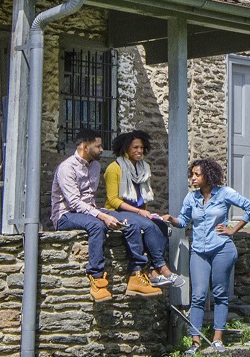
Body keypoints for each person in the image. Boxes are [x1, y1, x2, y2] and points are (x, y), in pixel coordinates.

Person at [50, 128, 164, 302]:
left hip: (90, 210)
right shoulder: (67, 168)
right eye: (98, 146)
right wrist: (102, 216)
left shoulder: (95, 166)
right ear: (85, 147)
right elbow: (74, 203)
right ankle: (96, 278)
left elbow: (89, 203)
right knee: (96, 225)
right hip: (66, 215)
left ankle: (136, 275)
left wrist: (103, 214)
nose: (102, 150)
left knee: (130, 222)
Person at [167, 157, 250, 353]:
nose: (193, 178)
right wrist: (170, 219)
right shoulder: (191, 198)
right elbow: (183, 221)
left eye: (197, 175)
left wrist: (233, 230)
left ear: (208, 176)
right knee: (198, 295)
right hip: (199, 250)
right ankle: (195, 342)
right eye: (192, 175)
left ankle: (217, 339)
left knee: (219, 294)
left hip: (222, 249)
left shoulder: (224, 193)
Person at [103, 130, 183, 289]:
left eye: (142, 147)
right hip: (116, 211)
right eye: (135, 147)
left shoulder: (144, 168)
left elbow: (143, 196)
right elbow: (113, 200)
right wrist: (140, 213)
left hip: (139, 212)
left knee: (161, 226)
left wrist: (147, 213)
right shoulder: (114, 168)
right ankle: (163, 268)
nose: (139, 151)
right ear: (126, 148)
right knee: (148, 226)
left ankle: (154, 273)